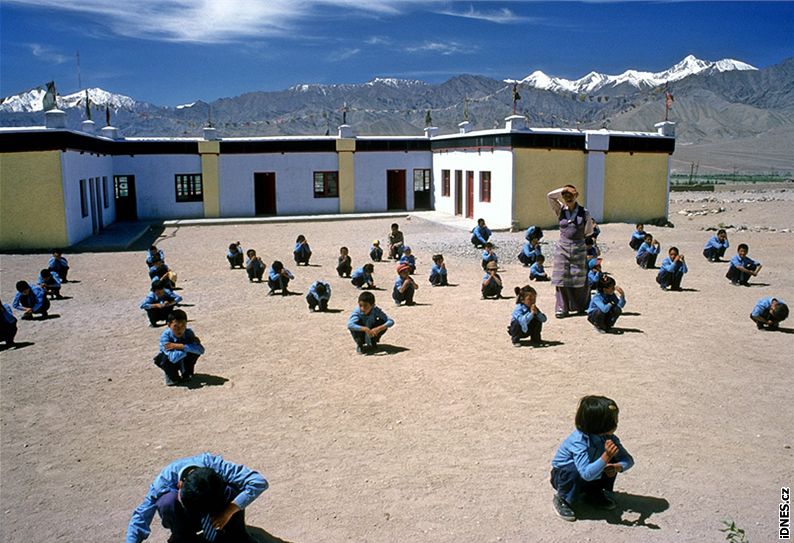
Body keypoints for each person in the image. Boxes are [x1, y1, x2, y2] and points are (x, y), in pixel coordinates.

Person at [125, 452, 268, 543]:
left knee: (232, 490)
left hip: (219, 513)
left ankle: (236, 535)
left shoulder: (217, 467)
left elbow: (258, 482)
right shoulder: (163, 481)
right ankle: (184, 538)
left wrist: (229, 510)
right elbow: (141, 518)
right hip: (186, 520)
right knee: (166, 502)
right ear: (180, 485)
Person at [550, 395, 634, 522]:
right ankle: (563, 499)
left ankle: (593, 493)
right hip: (565, 477)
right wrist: (606, 456)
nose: (617, 423)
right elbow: (585, 474)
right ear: (599, 424)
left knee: (609, 462)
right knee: (573, 470)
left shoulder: (608, 438)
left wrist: (617, 467)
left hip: (588, 474)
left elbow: (628, 460)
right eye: (613, 420)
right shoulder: (579, 442)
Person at [547, 185, 593, 318]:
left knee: (579, 278)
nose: (568, 198)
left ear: (576, 196)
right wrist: (563, 189)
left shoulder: (584, 212)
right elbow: (550, 196)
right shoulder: (560, 209)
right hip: (563, 247)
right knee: (561, 277)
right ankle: (562, 308)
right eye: (565, 196)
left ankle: (580, 306)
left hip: (578, 247)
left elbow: (588, 231)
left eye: (570, 195)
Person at [153, 309, 204, 386]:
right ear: (169, 325)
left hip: (182, 356)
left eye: (183, 325)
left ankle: (187, 372)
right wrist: (187, 347)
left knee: (194, 352)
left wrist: (180, 346)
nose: (179, 329)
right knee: (164, 359)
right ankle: (172, 375)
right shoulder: (165, 336)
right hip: (171, 361)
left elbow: (201, 350)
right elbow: (173, 358)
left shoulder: (188, 333)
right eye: (176, 326)